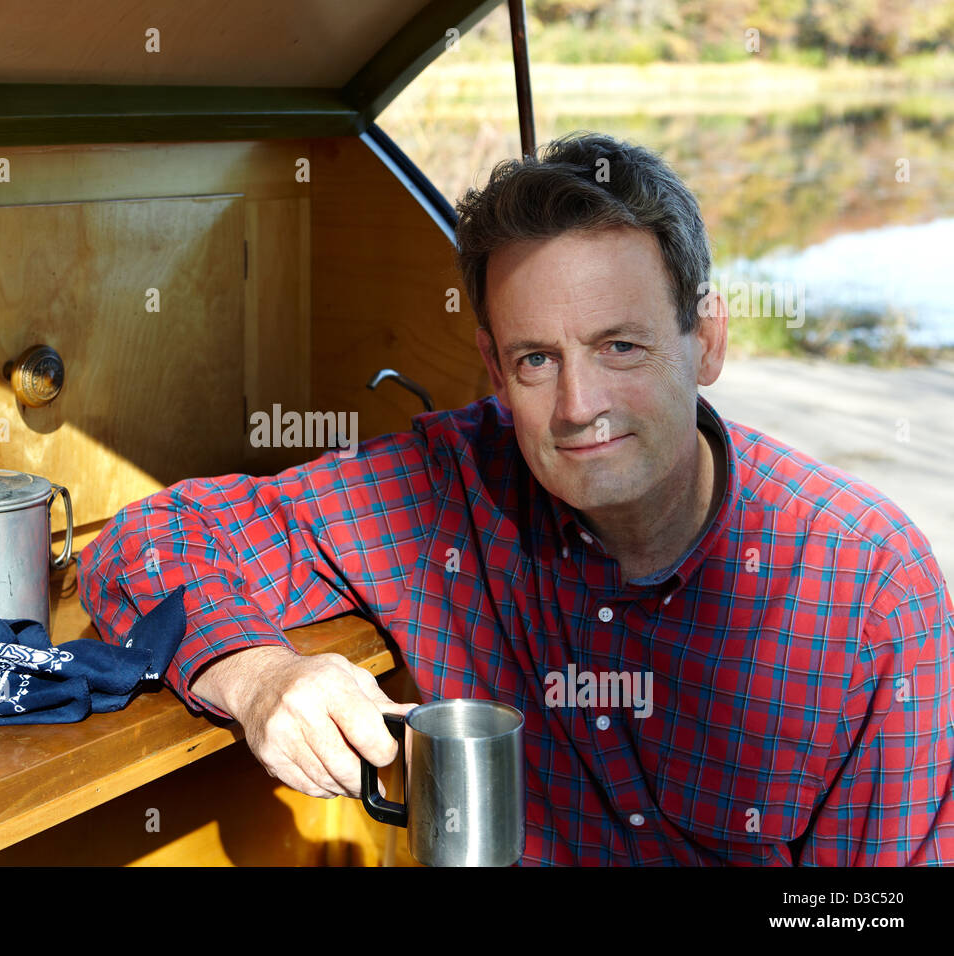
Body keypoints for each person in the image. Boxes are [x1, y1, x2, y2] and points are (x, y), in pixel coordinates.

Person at [79, 132, 954, 865]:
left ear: (708, 339)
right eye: (538, 359)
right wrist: (260, 674)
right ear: (496, 370)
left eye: (620, 347)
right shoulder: (445, 484)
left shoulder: (872, 592)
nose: (579, 408)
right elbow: (147, 540)